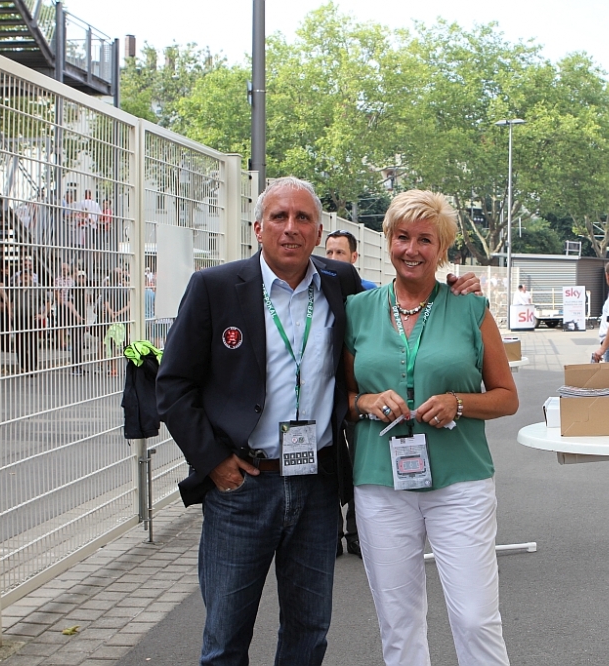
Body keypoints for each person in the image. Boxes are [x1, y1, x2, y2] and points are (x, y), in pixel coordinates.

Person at [156, 177, 479, 665]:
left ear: (318, 231)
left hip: (317, 486)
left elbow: (402, 298)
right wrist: (214, 460)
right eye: (279, 217)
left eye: (303, 218)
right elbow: (173, 385)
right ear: (258, 228)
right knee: (225, 636)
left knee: (308, 633)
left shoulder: (339, 282)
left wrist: (455, 287)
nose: (291, 228)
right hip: (243, 485)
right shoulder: (214, 288)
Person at [344, 189, 518, 666]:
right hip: (380, 483)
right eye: (402, 237)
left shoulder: (470, 308)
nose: (412, 249)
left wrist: (459, 402)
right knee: (398, 622)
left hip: (460, 483)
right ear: (388, 240)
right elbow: (342, 397)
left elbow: (506, 396)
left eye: (425, 239)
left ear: (442, 248)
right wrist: (366, 401)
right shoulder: (358, 309)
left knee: (476, 618)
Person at [324, 228, 373, 558]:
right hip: (325, 393)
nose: (333, 259)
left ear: (354, 257)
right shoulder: (313, 289)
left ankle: (356, 532)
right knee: (328, 463)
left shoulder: (368, 294)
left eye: (339, 253)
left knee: (358, 462)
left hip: (357, 393)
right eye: (328, 252)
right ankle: (332, 532)